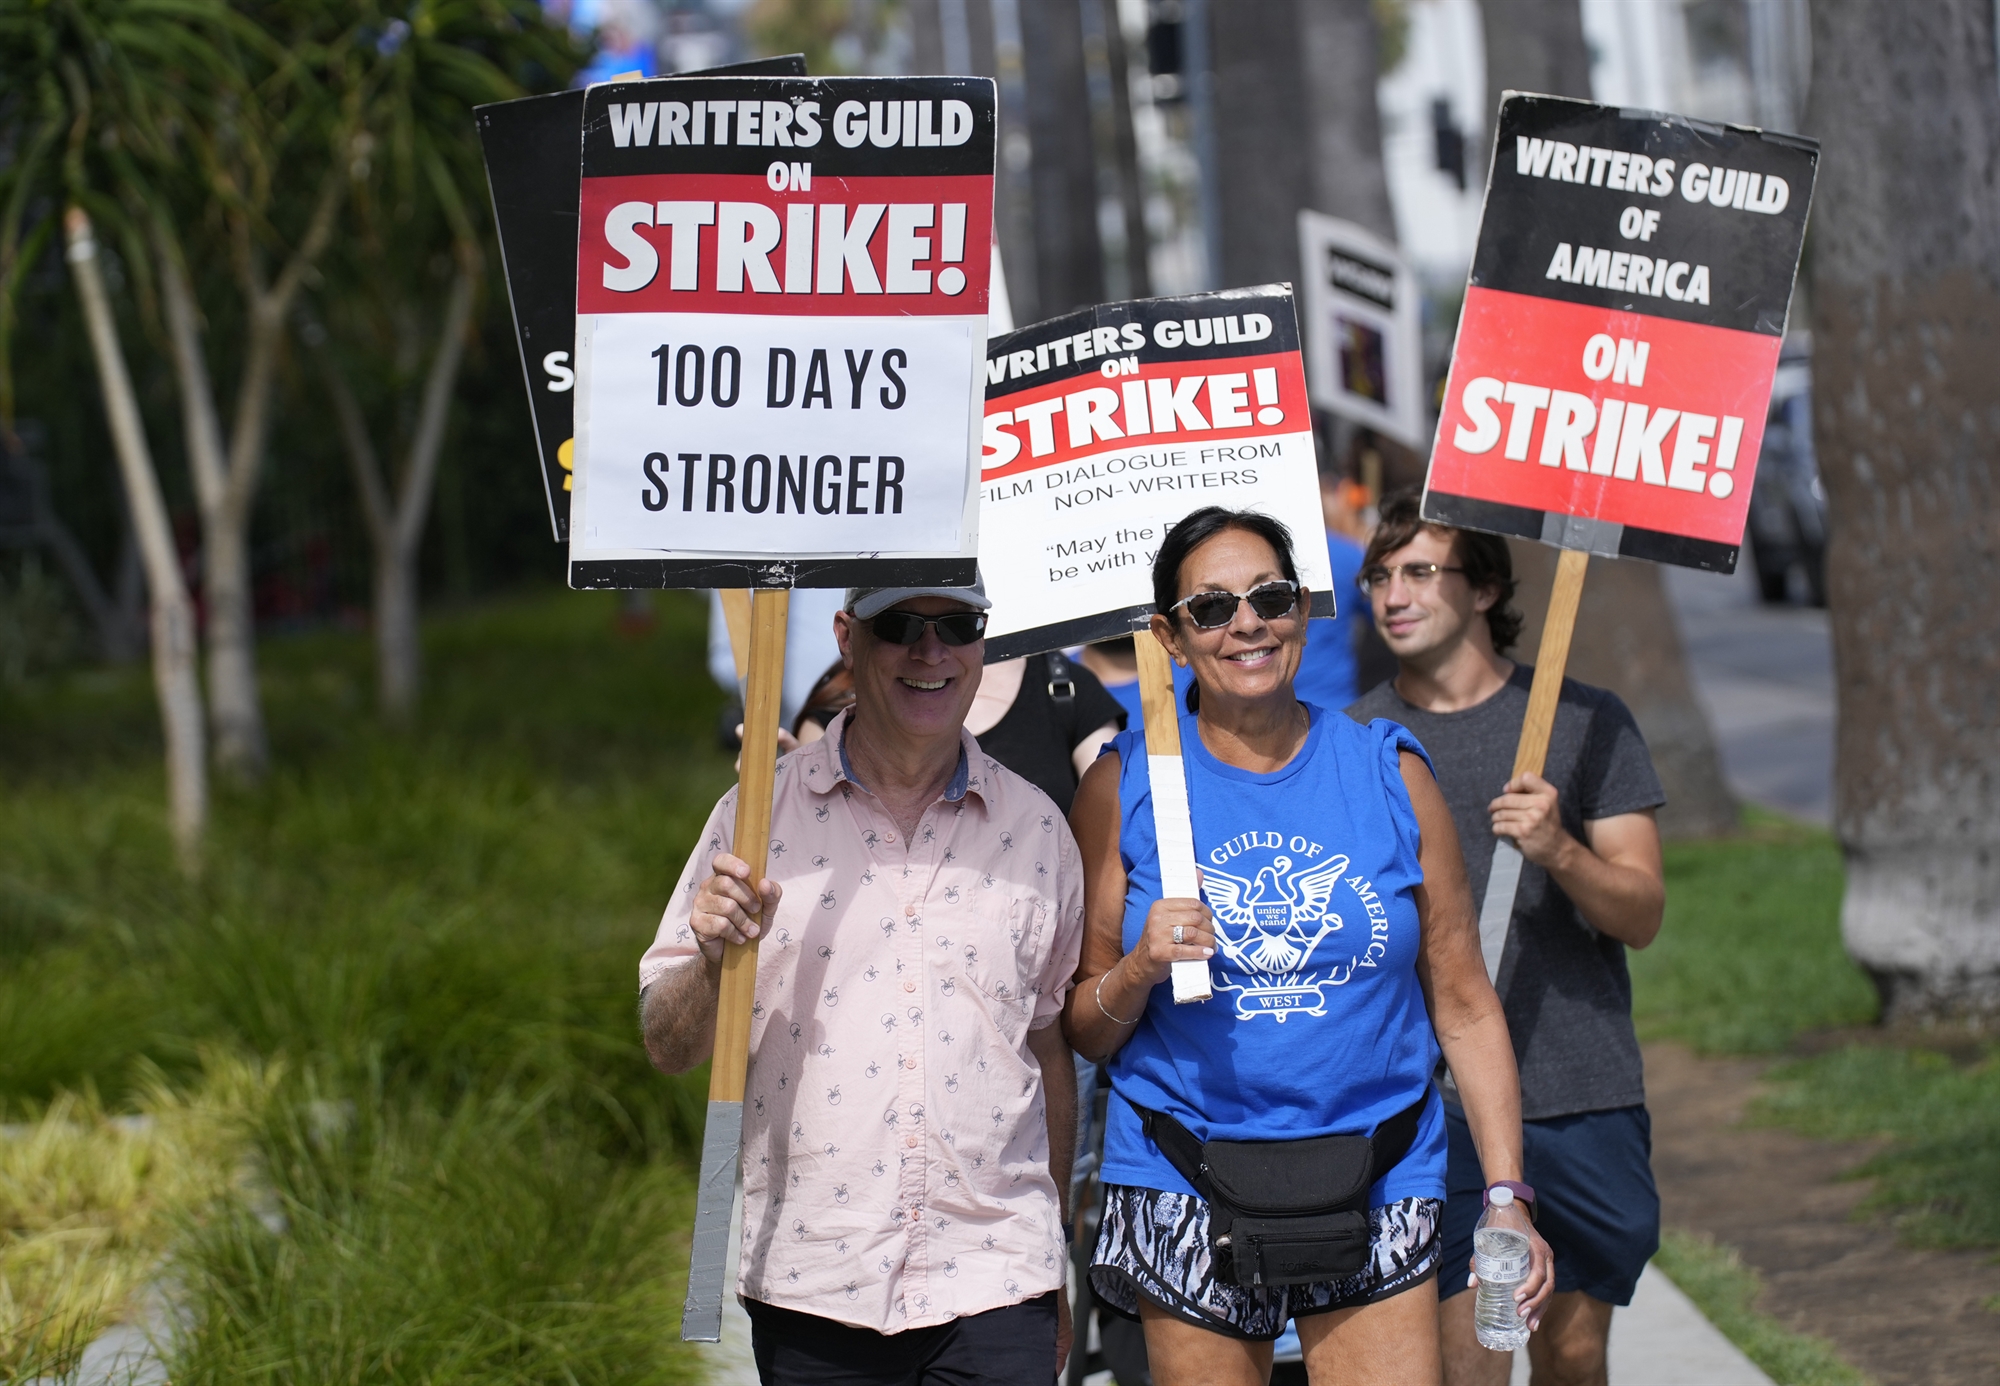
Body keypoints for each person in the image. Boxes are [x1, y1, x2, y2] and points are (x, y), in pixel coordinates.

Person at [1063, 506, 1552, 1386]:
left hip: (1379, 1166)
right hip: (1186, 1169)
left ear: (1304, 611)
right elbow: (1084, 1027)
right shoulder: (1124, 784)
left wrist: (1509, 1196)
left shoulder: (1387, 771)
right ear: (1172, 638)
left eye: (1270, 597)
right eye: (1211, 609)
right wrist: (1138, 970)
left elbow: (1465, 1002)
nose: (1246, 622)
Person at [640, 577, 1087, 1386]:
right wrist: (711, 959)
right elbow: (667, 1045)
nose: (931, 649)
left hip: (999, 1276)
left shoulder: (1040, 830)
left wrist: (1054, 1248)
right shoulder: (753, 818)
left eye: (957, 624)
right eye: (899, 625)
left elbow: (1047, 1049)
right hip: (815, 1281)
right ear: (847, 637)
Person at [1346, 491, 1667, 1386]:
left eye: (1419, 571)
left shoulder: (1582, 720)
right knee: (1472, 1358)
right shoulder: (1357, 740)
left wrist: (1560, 848)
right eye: (1379, 575)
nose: (1392, 594)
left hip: (1577, 1086)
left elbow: (1640, 915)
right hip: (1433, 1104)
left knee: (1569, 1356)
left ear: (1484, 587)